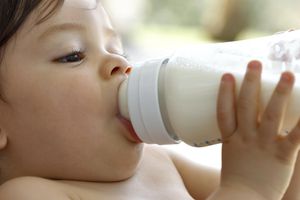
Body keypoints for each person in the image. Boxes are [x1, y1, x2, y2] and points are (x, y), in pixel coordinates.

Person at [0, 0, 299, 199]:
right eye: (73, 54)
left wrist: (285, 151)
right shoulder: (30, 194)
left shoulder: (160, 163)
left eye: (116, 48)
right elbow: (254, 189)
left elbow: (279, 191)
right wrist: (246, 188)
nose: (118, 62)